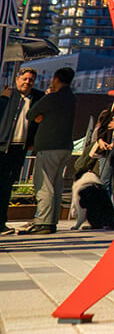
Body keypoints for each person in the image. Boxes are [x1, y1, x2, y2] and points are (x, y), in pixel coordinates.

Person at [6, 66, 76, 234]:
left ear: (56, 79)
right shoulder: (72, 98)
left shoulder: (52, 98)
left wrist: (42, 115)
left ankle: (42, 221)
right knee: (57, 185)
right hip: (65, 147)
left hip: (49, 146)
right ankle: (52, 221)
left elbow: (31, 114)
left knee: (44, 185)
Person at [0, 67, 42, 225]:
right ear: (17, 79)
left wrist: (33, 142)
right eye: (24, 79)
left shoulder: (37, 97)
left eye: (31, 79)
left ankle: (1, 221)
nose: (27, 82)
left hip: (20, 148)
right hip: (3, 146)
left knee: (8, 185)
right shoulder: (8, 96)